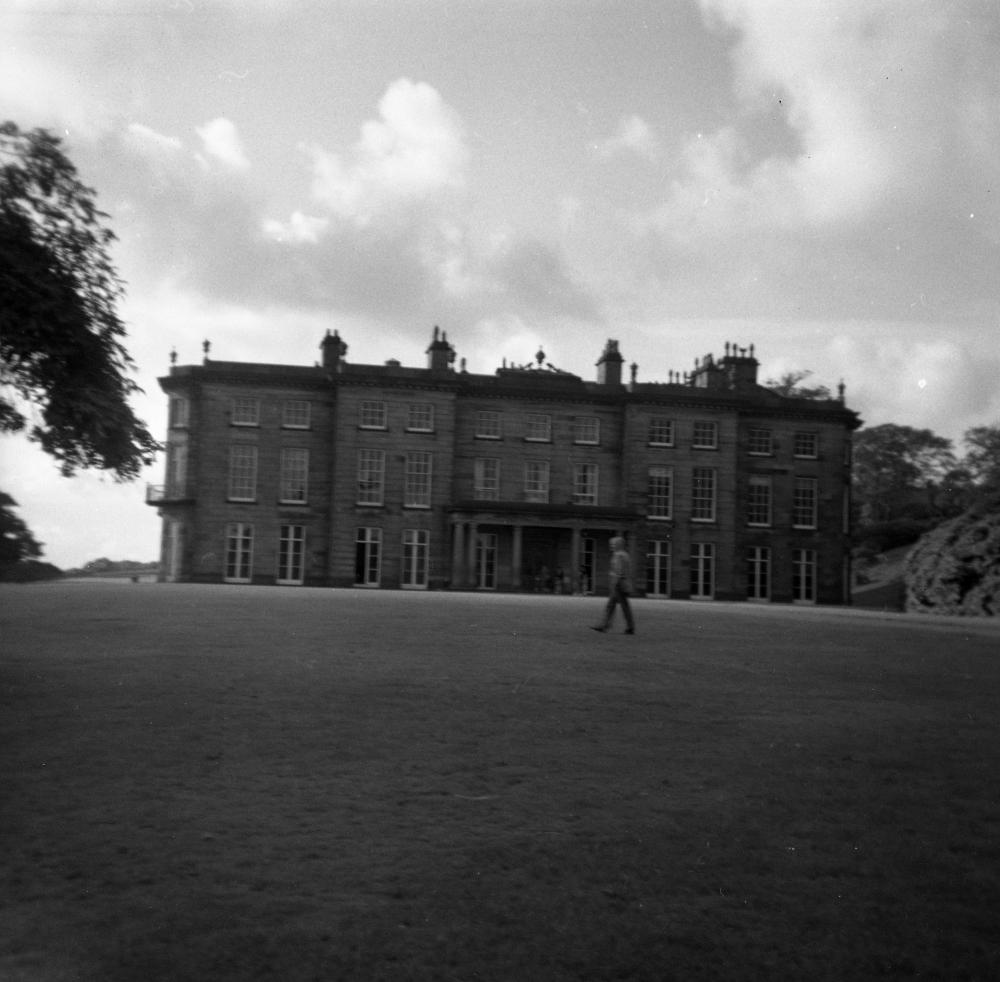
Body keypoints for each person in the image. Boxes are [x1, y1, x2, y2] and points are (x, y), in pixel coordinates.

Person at [591, 536, 636, 634]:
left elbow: (618, 571)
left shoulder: (619, 555)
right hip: (622, 583)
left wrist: (614, 582)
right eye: (611, 544)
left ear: (619, 545)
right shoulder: (625, 554)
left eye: (613, 544)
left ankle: (607, 625)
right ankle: (608, 625)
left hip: (619, 583)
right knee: (618, 606)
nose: (611, 546)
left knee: (617, 606)